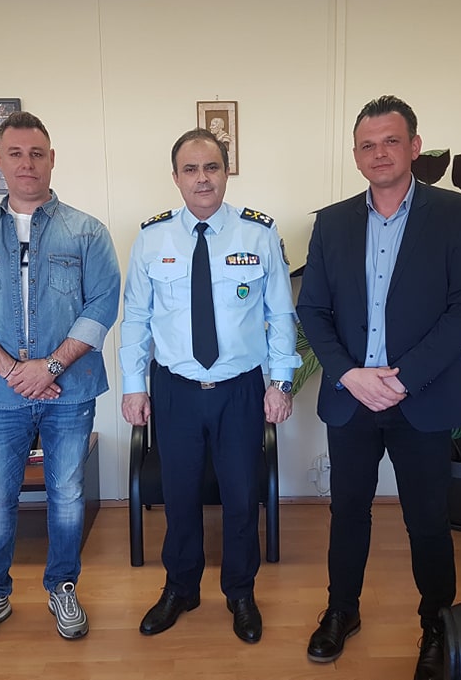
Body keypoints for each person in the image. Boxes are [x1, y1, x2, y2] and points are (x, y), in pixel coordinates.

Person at [296, 95, 461, 680]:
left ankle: (437, 624)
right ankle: (342, 611)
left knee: (427, 519)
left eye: (390, 141)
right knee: (348, 513)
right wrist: (349, 374)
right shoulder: (333, 222)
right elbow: (313, 309)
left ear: (414, 147)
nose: (379, 153)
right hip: (352, 397)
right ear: (356, 156)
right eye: (367, 144)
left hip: (421, 398)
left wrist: (403, 379)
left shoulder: (455, 215)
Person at [0, 111, 121, 650]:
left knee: (67, 495)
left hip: (71, 389)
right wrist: (12, 371)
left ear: (52, 159)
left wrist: (48, 368)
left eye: (37, 153)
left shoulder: (87, 231)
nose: (27, 163)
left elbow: (103, 303)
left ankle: (62, 587)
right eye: (16, 153)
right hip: (0, 395)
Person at [120, 127, 300, 644]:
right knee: (178, 497)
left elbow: (280, 314)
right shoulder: (152, 238)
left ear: (226, 172)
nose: (202, 178)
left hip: (239, 389)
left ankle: (240, 592)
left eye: (212, 167)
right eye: (191, 169)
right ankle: (180, 588)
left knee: (242, 497)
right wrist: (134, 386)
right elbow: (136, 319)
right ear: (176, 177)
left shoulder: (258, 233)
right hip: (174, 390)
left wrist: (280, 382)